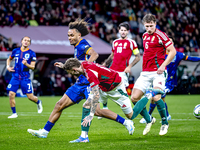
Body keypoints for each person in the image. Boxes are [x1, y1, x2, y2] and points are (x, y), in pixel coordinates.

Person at [27, 19, 134, 140]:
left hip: (89, 83)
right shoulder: (77, 46)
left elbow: (94, 54)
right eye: (68, 35)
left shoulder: (82, 44)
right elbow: (77, 64)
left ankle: (126, 123)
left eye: (71, 35)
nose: (69, 38)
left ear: (79, 35)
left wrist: (87, 67)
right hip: (80, 83)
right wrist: (65, 66)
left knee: (97, 111)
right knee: (59, 105)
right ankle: (45, 132)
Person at [62, 58, 164, 143]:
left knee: (131, 116)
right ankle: (84, 137)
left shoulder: (90, 73)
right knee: (87, 105)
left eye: (69, 72)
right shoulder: (82, 64)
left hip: (116, 88)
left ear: (75, 69)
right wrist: (64, 66)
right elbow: (76, 62)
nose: (70, 74)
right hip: (103, 86)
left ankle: (149, 94)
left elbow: (96, 95)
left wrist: (90, 115)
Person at [130, 14, 176, 136]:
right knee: (134, 98)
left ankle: (165, 123)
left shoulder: (161, 35)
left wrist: (163, 65)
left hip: (158, 72)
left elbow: (173, 51)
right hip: (145, 73)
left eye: (151, 26)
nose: (149, 28)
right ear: (143, 25)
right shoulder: (144, 35)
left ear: (155, 24)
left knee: (156, 97)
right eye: (147, 26)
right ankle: (149, 119)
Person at [140, 38, 200, 123]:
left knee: (159, 95)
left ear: (172, 44)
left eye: (170, 42)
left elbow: (190, 58)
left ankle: (152, 116)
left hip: (169, 82)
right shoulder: (160, 54)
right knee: (155, 98)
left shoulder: (177, 55)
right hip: (159, 79)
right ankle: (165, 115)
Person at [98, 22, 140, 119]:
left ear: (128, 31)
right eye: (121, 30)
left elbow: (137, 57)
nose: (123, 32)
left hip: (122, 72)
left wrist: (129, 66)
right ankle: (104, 107)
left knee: (123, 94)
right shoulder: (115, 42)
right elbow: (112, 56)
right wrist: (104, 64)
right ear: (119, 30)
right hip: (112, 71)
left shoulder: (132, 42)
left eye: (125, 30)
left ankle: (135, 111)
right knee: (102, 87)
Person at [6, 36, 43, 118]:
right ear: (21, 41)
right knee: (11, 94)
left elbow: (33, 67)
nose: (26, 42)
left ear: (29, 43)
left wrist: (26, 64)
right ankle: (14, 113)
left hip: (25, 77)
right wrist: (8, 67)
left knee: (30, 97)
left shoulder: (32, 53)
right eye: (25, 40)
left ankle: (38, 102)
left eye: (28, 41)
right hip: (15, 76)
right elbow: (9, 59)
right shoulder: (15, 51)